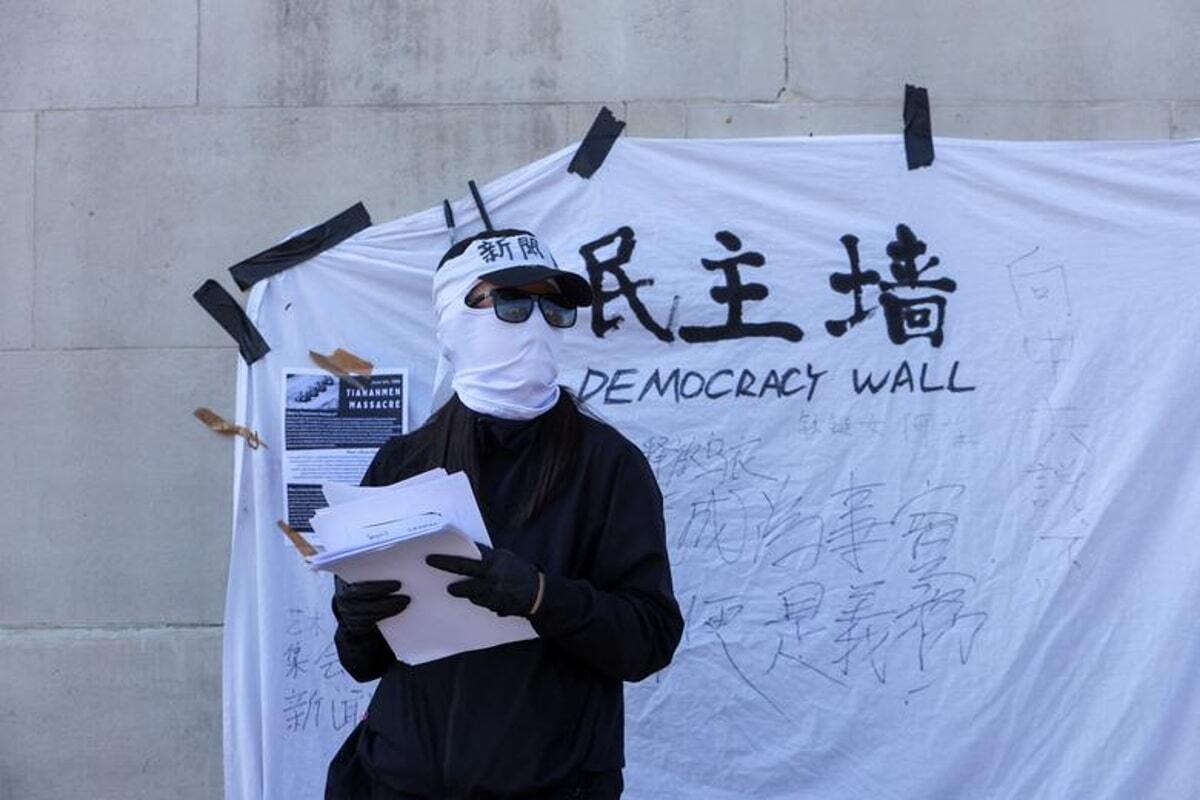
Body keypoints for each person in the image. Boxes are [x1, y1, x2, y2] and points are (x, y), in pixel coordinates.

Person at [325, 227, 684, 800]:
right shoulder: (402, 460)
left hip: (554, 785)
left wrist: (542, 597)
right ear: (452, 317)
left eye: (553, 308)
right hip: (399, 778)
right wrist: (356, 618)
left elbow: (650, 639)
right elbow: (362, 663)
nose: (536, 324)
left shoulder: (608, 465)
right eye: (511, 303)